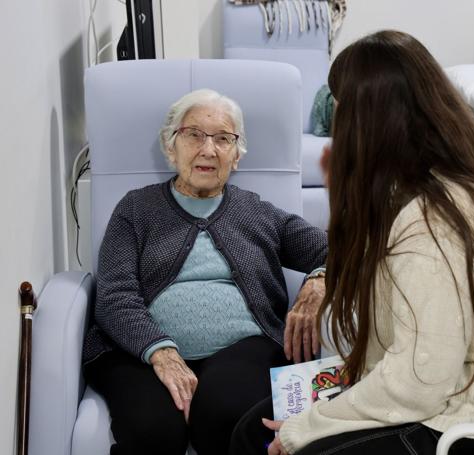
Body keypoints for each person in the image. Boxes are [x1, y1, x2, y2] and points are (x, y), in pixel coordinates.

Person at [230, 30, 474, 455]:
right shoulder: (432, 185)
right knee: (251, 429)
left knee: (268, 441)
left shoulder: (434, 222)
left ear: (368, 124)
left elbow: (418, 383)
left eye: (341, 110)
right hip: (458, 379)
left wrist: (308, 426)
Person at [82, 89, 328, 455]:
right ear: (171, 146)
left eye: (223, 139)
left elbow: (339, 252)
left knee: (226, 416)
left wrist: (319, 279)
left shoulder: (257, 212)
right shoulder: (135, 209)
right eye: (194, 134)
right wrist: (160, 351)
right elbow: (115, 296)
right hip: (139, 354)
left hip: (245, 348)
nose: (208, 149)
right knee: (153, 431)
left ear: (237, 156)